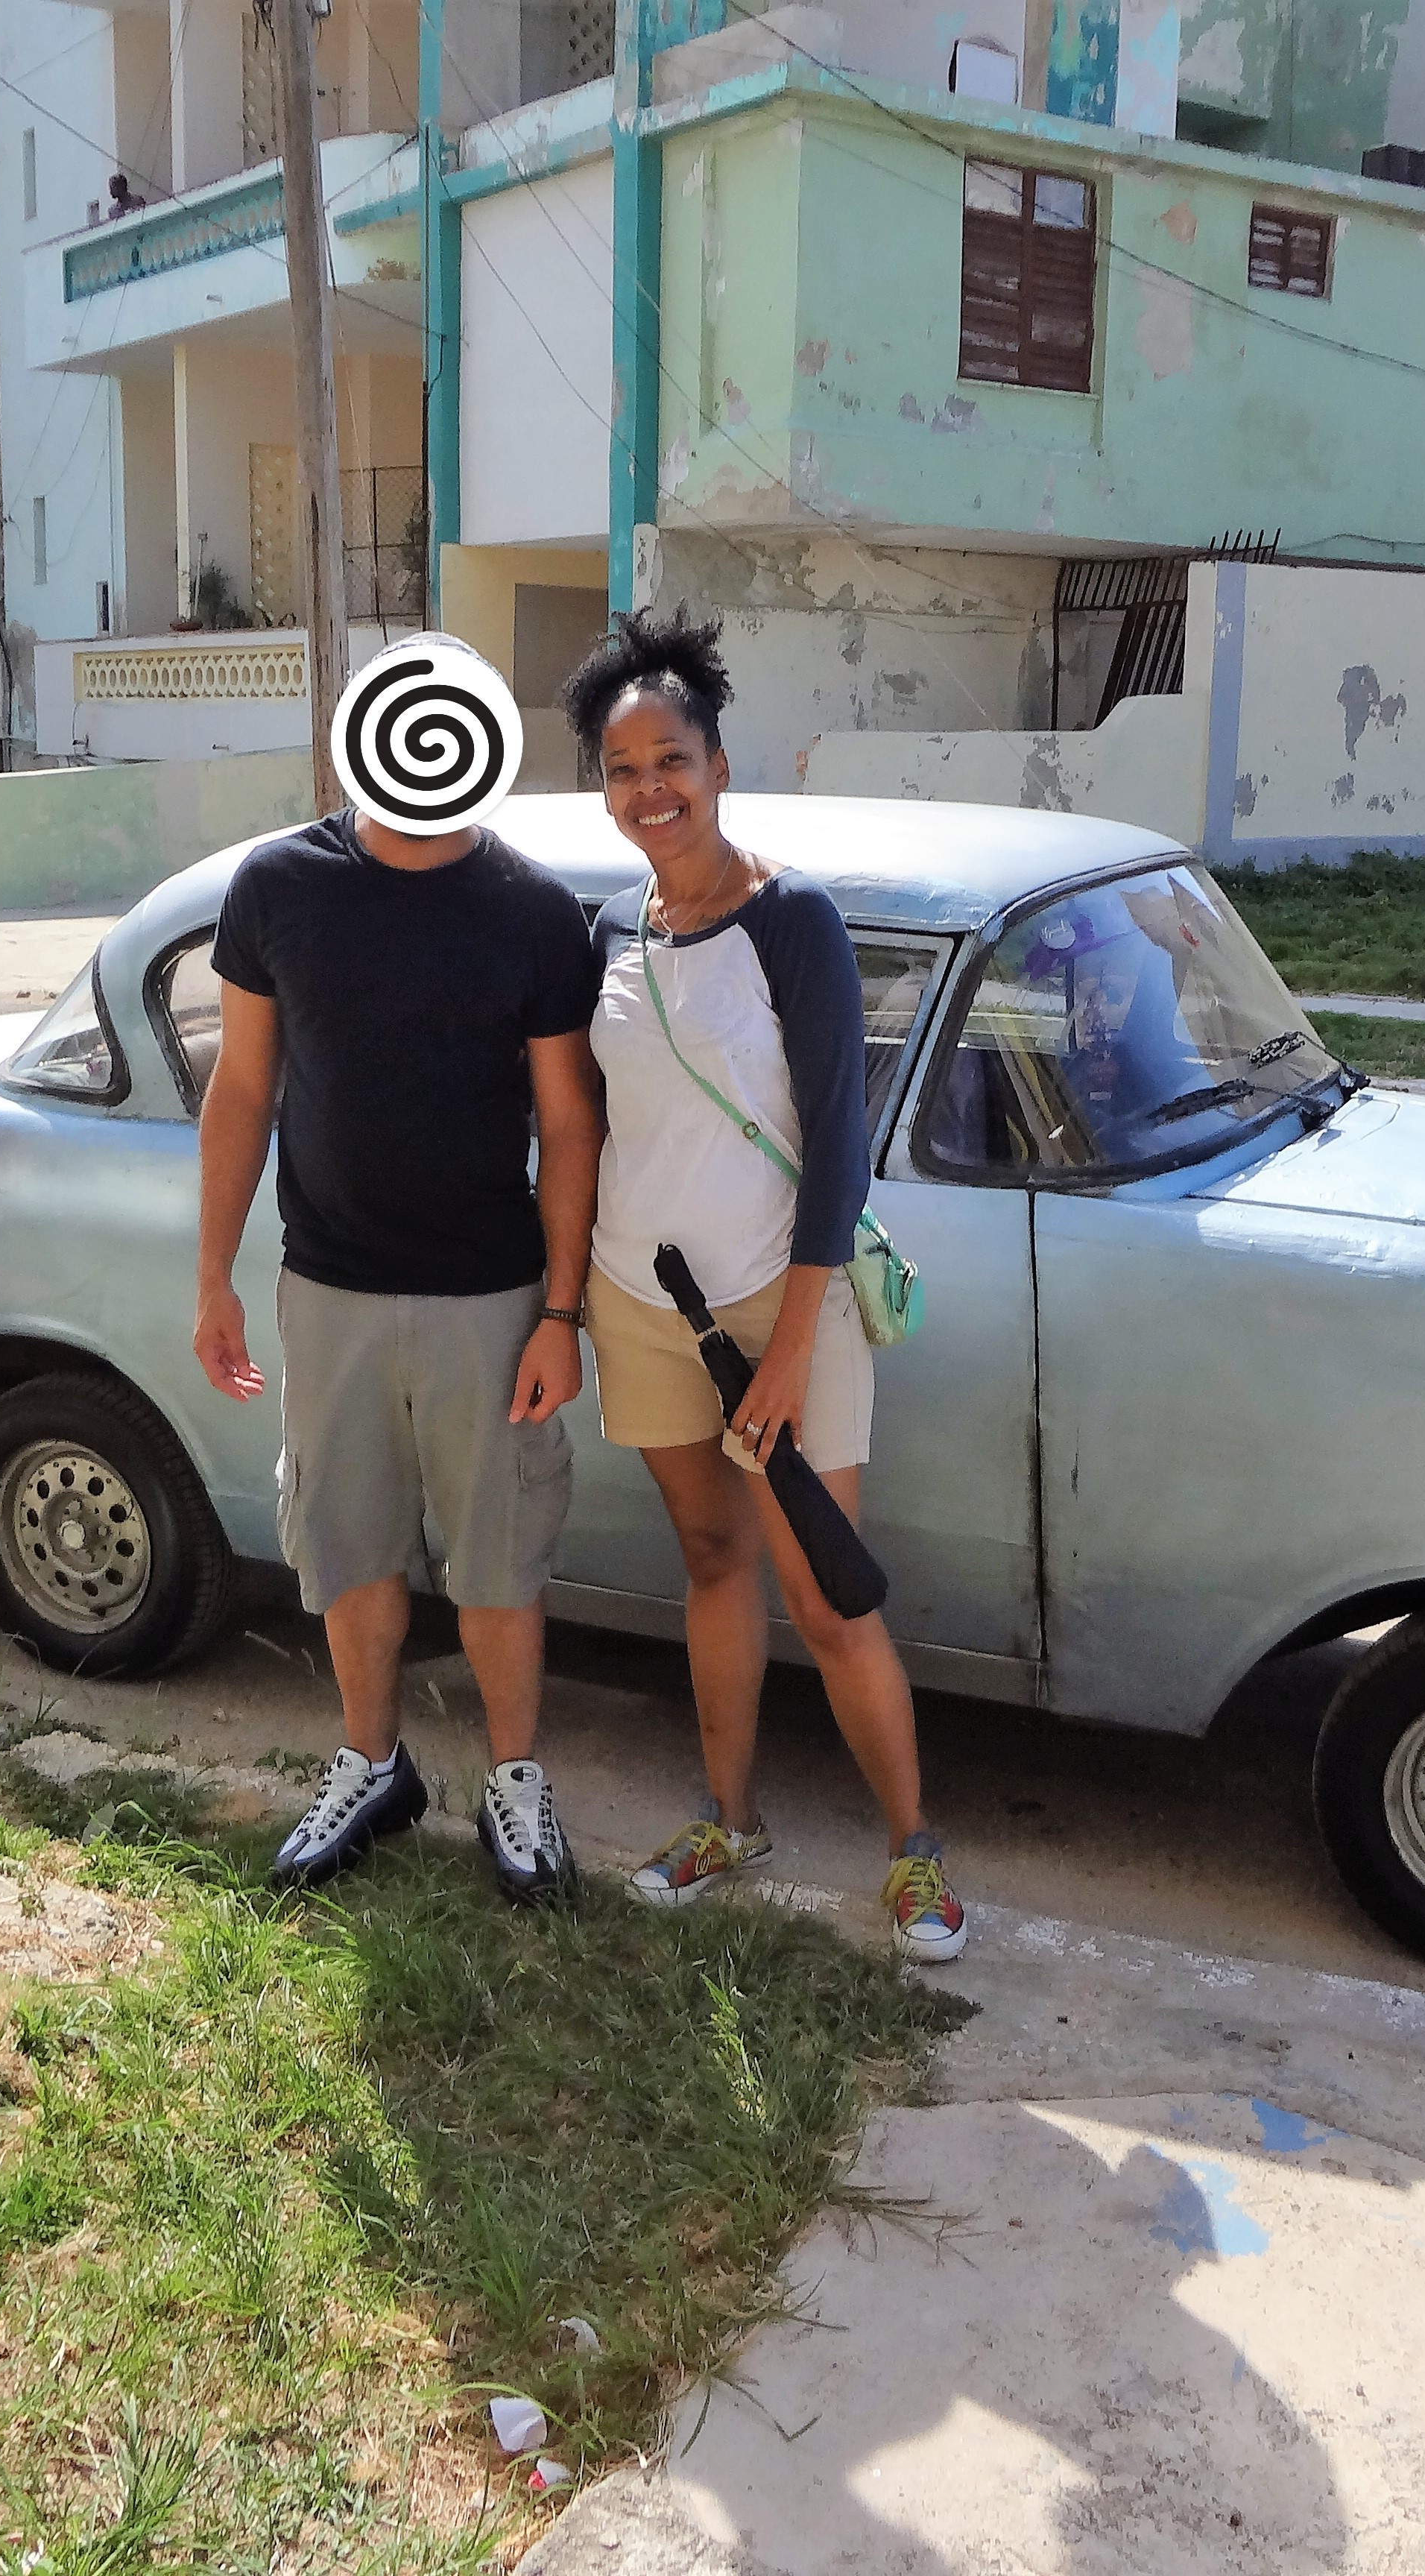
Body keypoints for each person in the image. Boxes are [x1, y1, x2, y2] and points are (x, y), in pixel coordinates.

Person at [559, 606, 965, 1964]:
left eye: (668, 760)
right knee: (713, 1561)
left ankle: (912, 1853)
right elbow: (597, 1126)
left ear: (719, 764)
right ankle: (730, 1819)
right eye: (620, 772)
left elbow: (839, 1148)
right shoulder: (615, 931)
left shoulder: (792, 919)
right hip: (644, 1305)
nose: (647, 792)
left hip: (780, 1303)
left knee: (829, 1592)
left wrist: (793, 1345)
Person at [193, 637, 601, 1903]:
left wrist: (561, 1313)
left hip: (493, 1295)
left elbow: (570, 1122)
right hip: (328, 1288)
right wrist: (213, 1276)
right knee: (348, 1538)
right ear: (355, 743)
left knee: (499, 1554)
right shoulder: (278, 888)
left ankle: (515, 1783)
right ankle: (372, 1764)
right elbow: (243, 1086)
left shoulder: (533, 912)